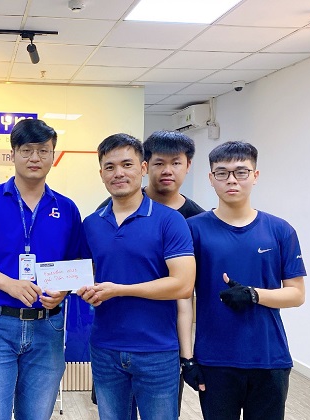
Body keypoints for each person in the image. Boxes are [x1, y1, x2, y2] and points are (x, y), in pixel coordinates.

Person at [0, 118, 83, 420]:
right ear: (12, 154)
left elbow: (77, 264)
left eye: (43, 150)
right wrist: (8, 284)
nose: (35, 157)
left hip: (47, 327)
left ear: (53, 155)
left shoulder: (66, 208)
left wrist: (63, 291)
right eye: (26, 150)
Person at [183, 141, 306, 420]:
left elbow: (297, 294)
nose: (232, 180)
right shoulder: (193, 230)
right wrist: (187, 358)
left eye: (241, 172)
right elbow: (183, 297)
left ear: (255, 175)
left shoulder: (280, 230)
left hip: (269, 359)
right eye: (222, 173)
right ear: (211, 178)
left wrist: (253, 294)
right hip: (215, 360)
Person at [78, 133, 196, 420]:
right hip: (105, 349)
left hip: (157, 351)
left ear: (143, 168)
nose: (118, 173)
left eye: (127, 165)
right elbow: (83, 274)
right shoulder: (91, 223)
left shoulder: (170, 221)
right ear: (101, 174)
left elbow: (182, 284)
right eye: (110, 167)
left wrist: (120, 289)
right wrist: (79, 289)